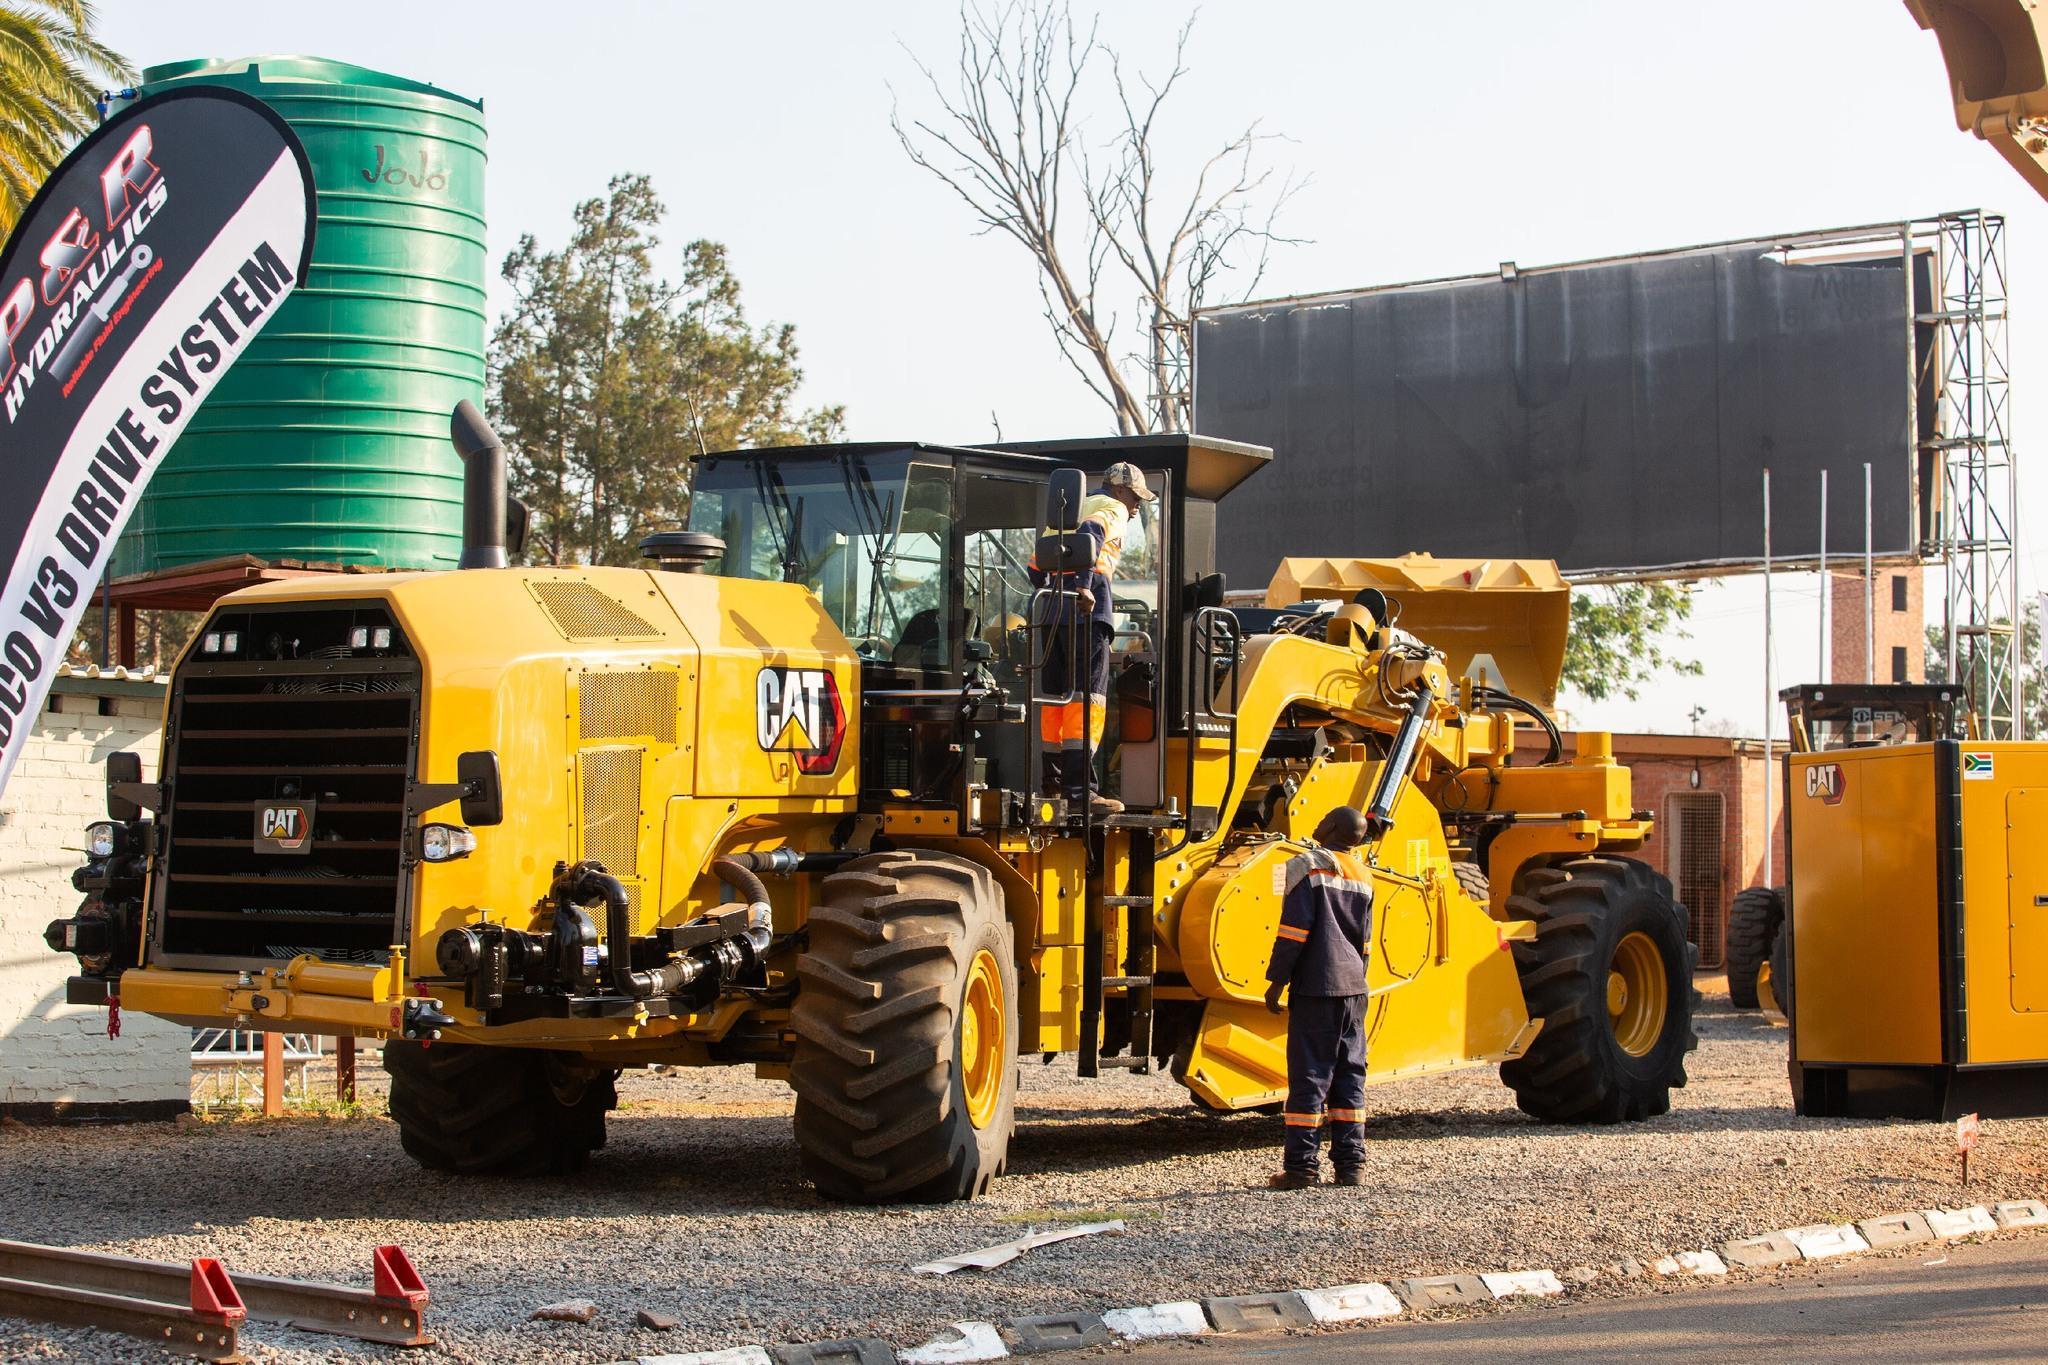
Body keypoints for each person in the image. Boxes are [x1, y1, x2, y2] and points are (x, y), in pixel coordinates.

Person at [1028, 461, 1155, 815]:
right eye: (1135, 498)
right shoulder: (1109, 507)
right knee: (1088, 702)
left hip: (1051, 615)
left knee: (1055, 702)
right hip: (1086, 615)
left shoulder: (1068, 509)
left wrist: (1055, 589)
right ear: (1119, 490)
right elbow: (1092, 534)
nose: (1135, 508)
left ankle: (1052, 786)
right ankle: (1082, 792)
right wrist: (1083, 587)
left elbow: (1034, 565)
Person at [1263, 805, 1374, 1189]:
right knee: (1349, 1075)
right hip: (1354, 989)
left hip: (1317, 987)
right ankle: (1350, 1167)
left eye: (1325, 818)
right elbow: (1366, 943)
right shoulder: (1363, 874)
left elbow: (1293, 932)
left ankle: (1301, 1169)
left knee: (1310, 1076)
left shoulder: (1307, 866)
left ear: (1330, 826)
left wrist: (1276, 980)